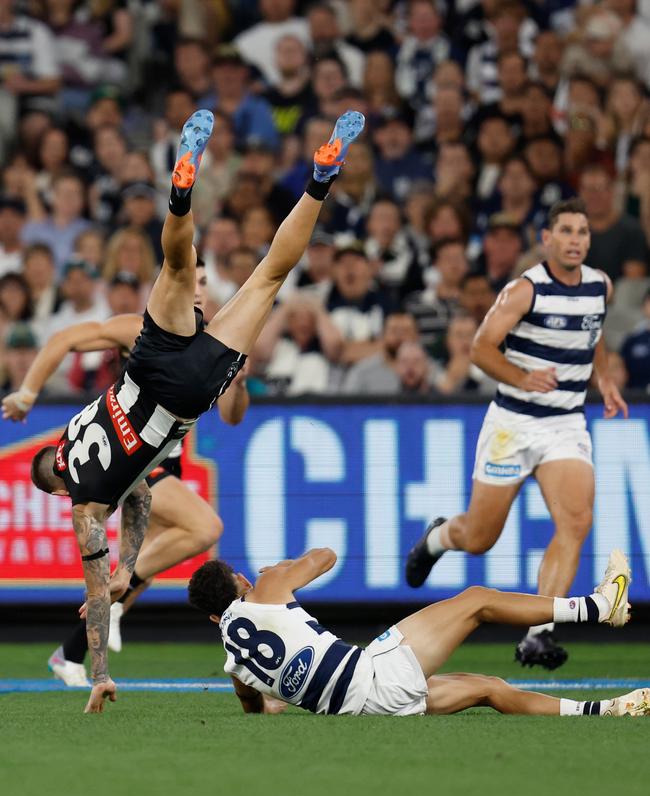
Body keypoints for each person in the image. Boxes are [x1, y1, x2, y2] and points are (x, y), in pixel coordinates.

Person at [11, 107, 365, 712]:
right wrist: (131, 563)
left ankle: (320, 182)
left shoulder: (87, 506)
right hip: (148, 362)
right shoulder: (76, 433)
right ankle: (181, 194)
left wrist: (102, 655)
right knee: (179, 263)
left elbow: (100, 596)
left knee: (271, 276)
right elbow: (144, 499)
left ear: (58, 488)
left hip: (182, 393)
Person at [405, 197, 628, 671]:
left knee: (575, 521)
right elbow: (481, 348)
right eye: (565, 231)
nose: (575, 240)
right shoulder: (525, 290)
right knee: (481, 536)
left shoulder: (599, 287)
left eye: (582, 232)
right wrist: (522, 377)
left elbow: (595, 335)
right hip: (513, 423)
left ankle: (539, 632)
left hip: (565, 422)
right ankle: (438, 539)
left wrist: (603, 378)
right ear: (546, 240)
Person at [2, 259, 249, 686]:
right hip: (130, 457)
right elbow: (66, 338)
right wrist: (27, 391)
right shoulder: (140, 329)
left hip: (163, 458)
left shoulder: (214, 339)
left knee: (146, 564)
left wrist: (239, 381)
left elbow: (231, 416)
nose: (196, 289)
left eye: (204, 282)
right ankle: (111, 599)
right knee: (203, 528)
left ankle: (71, 653)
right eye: (188, 279)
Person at [188, 546, 649, 718]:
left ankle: (608, 710)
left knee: (489, 689)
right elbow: (326, 556)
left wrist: (269, 704)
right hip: (374, 674)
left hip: (365, 710)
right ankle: (598, 606)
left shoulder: (233, 661)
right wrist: (283, 570)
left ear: (213, 619)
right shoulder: (265, 587)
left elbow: (251, 705)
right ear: (240, 582)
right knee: (477, 600)